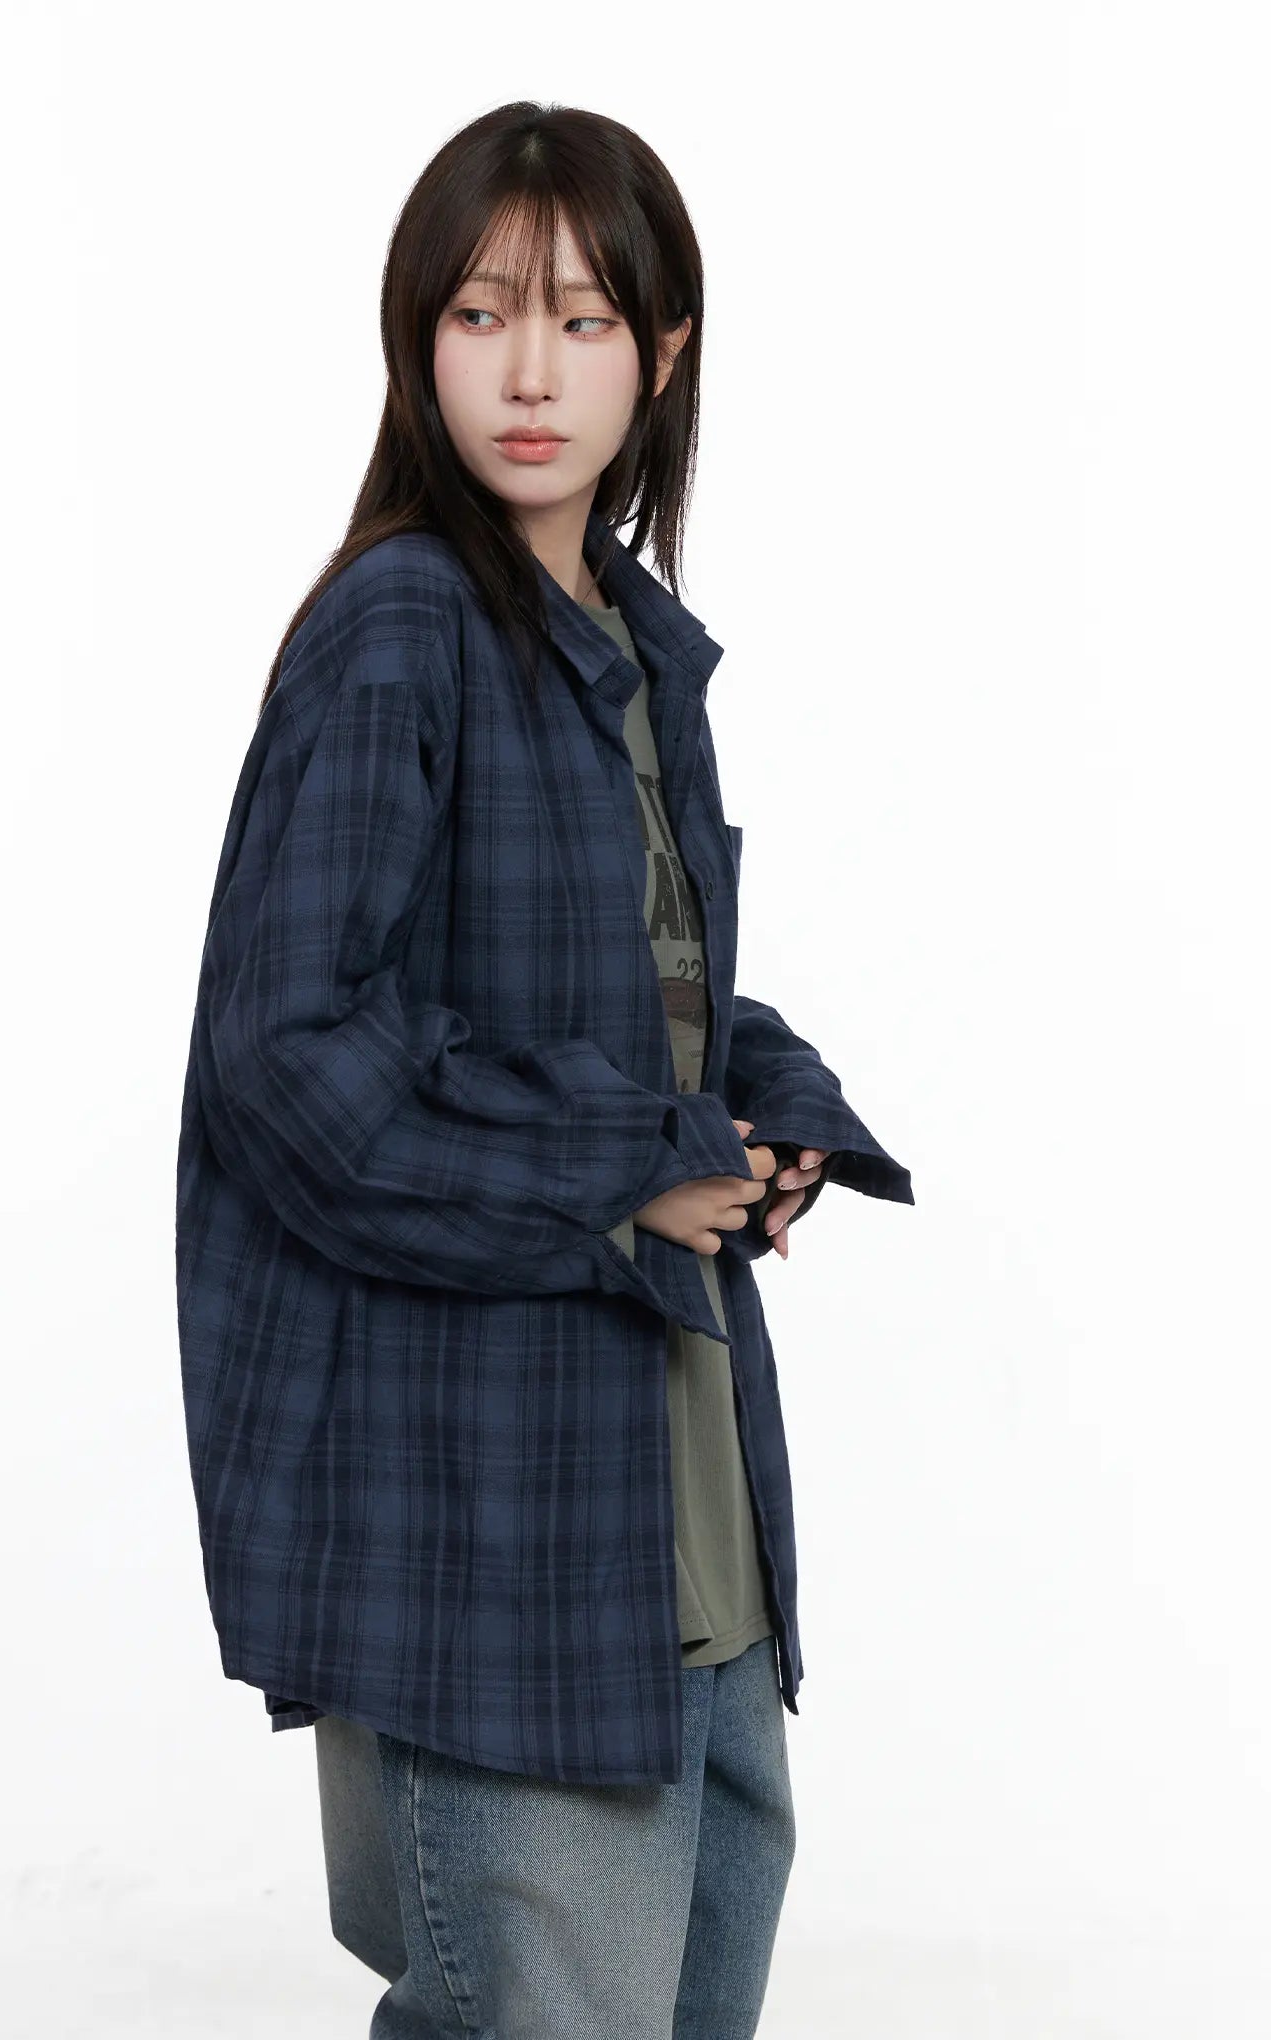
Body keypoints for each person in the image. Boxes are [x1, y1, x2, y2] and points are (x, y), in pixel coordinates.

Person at [176, 98, 914, 2039]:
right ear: (417, 336)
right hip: (488, 1518)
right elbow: (286, 1058)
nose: (528, 370)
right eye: (483, 312)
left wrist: (772, 1113)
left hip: (681, 1489)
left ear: (660, 355)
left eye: (583, 321)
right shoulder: (402, 624)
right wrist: (617, 1165)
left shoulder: (635, 642)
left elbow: (652, 998)